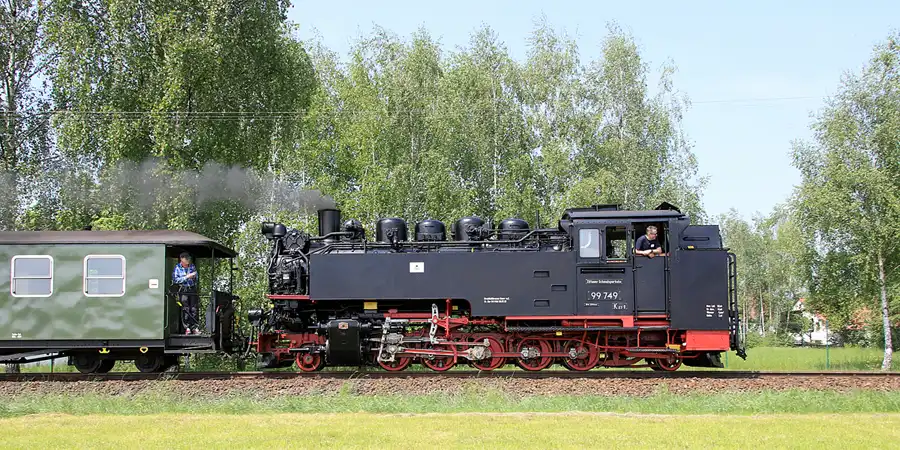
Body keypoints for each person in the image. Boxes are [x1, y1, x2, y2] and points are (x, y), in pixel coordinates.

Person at [172, 252, 200, 335]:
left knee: (194, 308)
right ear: (182, 259)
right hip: (183, 290)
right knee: (185, 308)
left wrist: (194, 276)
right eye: (186, 259)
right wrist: (187, 277)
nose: (188, 260)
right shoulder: (177, 268)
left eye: (189, 259)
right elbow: (175, 280)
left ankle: (194, 327)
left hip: (192, 289)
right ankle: (187, 327)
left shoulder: (192, 266)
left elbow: (196, 276)